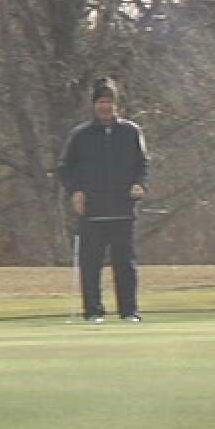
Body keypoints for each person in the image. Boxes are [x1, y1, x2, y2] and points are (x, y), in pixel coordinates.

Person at [56, 77, 148, 323]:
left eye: (109, 101)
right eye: (100, 101)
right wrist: (75, 191)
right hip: (92, 212)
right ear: (94, 105)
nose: (105, 106)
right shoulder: (81, 135)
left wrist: (140, 184)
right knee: (91, 264)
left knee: (124, 265)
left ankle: (128, 311)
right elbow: (65, 167)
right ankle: (93, 311)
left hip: (122, 210)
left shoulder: (130, 132)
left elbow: (142, 165)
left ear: (116, 104)